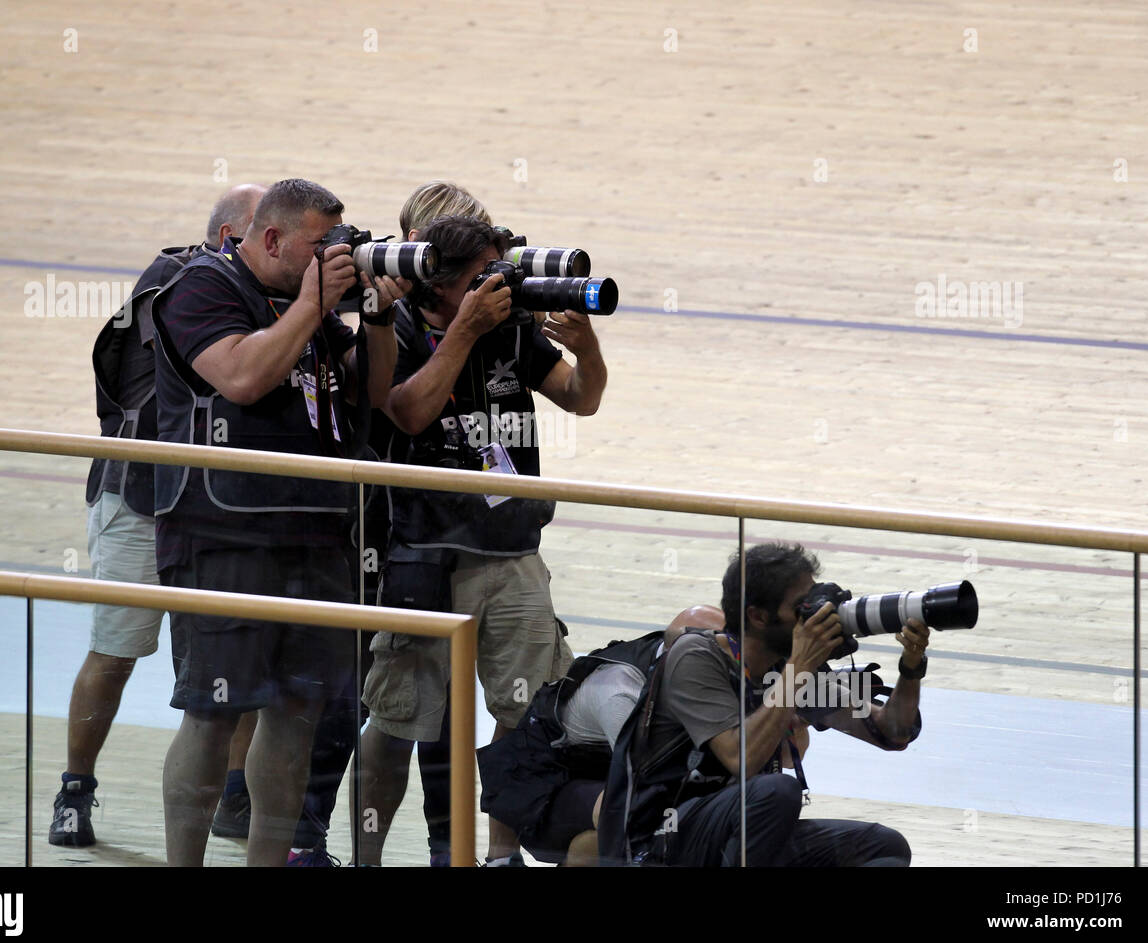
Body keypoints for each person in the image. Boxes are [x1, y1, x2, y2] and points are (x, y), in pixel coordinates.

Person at [149, 178, 405, 866]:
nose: (336, 257)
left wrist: (377, 319)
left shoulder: (308, 306)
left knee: (296, 721)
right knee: (211, 715)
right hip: (222, 537)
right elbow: (240, 377)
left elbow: (372, 396)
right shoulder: (200, 287)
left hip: (316, 539)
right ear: (271, 239)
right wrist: (315, 303)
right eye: (322, 244)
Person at [357, 214, 608, 866]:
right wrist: (465, 332)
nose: (498, 288)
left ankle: (500, 854)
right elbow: (408, 412)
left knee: (526, 713)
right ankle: (366, 856)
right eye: (481, 279)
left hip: (513, 550)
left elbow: (582, 399)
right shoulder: (399, 329)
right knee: (396, 720)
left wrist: (588, 350)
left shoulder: (511, 330)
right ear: (439, 287)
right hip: (426, 550)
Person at [49, 184, 265, 848]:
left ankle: (235, 794)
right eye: (267, 235)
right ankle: (74, 788)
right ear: (232, 238)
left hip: (213, 507)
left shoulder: (253, 295)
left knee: (234, 660)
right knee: (117, 652)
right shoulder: (181, 283)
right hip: (138, 498)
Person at [288, 182, 492, 867]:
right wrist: (383, 314)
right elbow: (388, 407)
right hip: (379, 531)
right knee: (356, 691)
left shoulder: (483, 314)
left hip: (448, 534)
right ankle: (307, 833)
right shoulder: (385, 309)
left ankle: (443, 842)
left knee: (442, 706)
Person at [598, 542, 926, 867]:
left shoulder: (786, 666)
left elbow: (891, 732)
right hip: (662, 840)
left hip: (744, 834)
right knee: (777, 791)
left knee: (885, 847)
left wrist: (911, 668)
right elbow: (742, 759)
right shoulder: (696, 656)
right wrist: (798, 667)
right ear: (757, 616)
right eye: (802, 607)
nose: (812, 615)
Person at [477, 605, 722, 866]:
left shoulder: (679, 660)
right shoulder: (620, 693)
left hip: (599, 774)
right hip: (540, 795)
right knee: (639, 813)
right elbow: (647, 783)